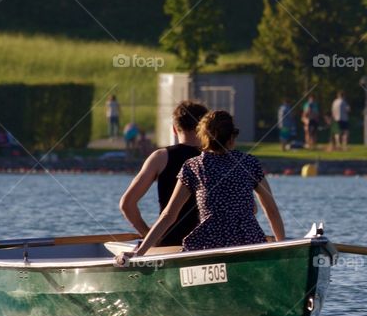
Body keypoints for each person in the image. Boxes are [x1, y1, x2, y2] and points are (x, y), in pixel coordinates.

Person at [117, 110, 285, 262]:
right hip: (250, 242)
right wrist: (283, 250)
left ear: (203, 137)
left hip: (207, 245)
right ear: (232, 138)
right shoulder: (250, 163)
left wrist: (140, 252)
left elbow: (169, 215)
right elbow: (271, 211)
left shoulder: (194, 166)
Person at [119, 101, 208, 247]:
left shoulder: (160, 157)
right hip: (208, 242)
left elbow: (127, 204)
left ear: (174, 129)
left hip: (169, 241)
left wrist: (149, 236)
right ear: (205, 128)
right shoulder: (217, 158)